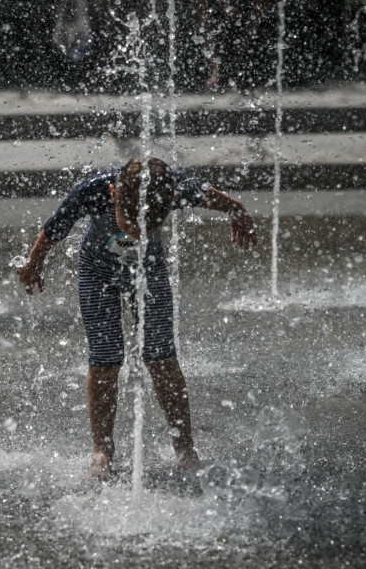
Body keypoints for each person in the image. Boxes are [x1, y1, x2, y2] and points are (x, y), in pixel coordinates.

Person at [16, 157, 257, 480]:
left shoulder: (176, 189)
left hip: (149, 273)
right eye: (131, 225)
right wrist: (34, 263)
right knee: (105, 359)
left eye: (149, 228)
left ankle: (185, 447)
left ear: (172, 199)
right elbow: (52, 230)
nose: (140, 233)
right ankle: (102, 449)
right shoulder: (93, 191)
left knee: (161, 356)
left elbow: (219, 198)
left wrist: (238, 212)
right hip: (97, 273)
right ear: (113, 195)